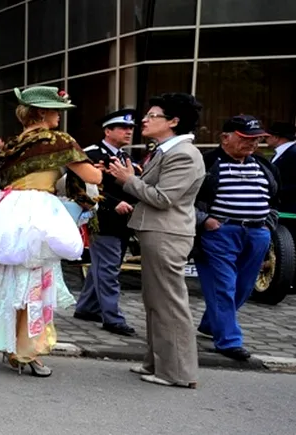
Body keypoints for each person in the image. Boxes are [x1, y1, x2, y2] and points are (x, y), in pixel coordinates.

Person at [0, 85, 103, 377]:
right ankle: (28, 351)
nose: (60, 116)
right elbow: (92, 176)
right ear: (43, 112)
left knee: (9, 278)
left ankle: (10, 345)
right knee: (34, 281)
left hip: (8, 210)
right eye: (56, 111)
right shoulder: (57, 141)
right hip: (38, 212)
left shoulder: (11, 144)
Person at [107, 92, 206, 388]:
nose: (144, 121)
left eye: (153, 116)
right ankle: (157, 362)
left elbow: (163, 199)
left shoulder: (184, 154)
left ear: (174, 121)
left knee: (169, 304)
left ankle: (176, 372)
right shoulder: (165, 150)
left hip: (168, 233)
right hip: (156, 232)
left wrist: (129, 180)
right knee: (155, 301)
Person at [192, 115, 278, 361]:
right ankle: (229, 341)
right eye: (245, 138)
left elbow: (274, 199)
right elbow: (185, 199)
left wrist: (267, 225)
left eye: (256, 139)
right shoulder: (206, 163)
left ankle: (212, 323)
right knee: (224, 286)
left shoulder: (264, 166)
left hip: (257, 233)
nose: (252, 144)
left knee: (243, 287)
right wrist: (204, 220)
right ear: (225, 138)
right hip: (220, 233)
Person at [72, 108, 140, 337]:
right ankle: (112, 318)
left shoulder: (126, 158)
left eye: (131, 128)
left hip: (123, 222)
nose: (129, 132)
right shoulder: (91, 154)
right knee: (108, 270)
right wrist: (112, 204)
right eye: (123, 127)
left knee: (102, 267)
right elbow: (82, 188)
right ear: (108, 130)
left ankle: (86, 308)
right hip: (102, 220)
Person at [266, 121, 296, 295]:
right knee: (283, 247)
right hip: (281, 208)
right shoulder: (279, 154)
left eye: (268, 135)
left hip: (293, 209)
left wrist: (279, 192)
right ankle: (284, 280)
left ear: (277, 137)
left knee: (295, 247)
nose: (266, 139)